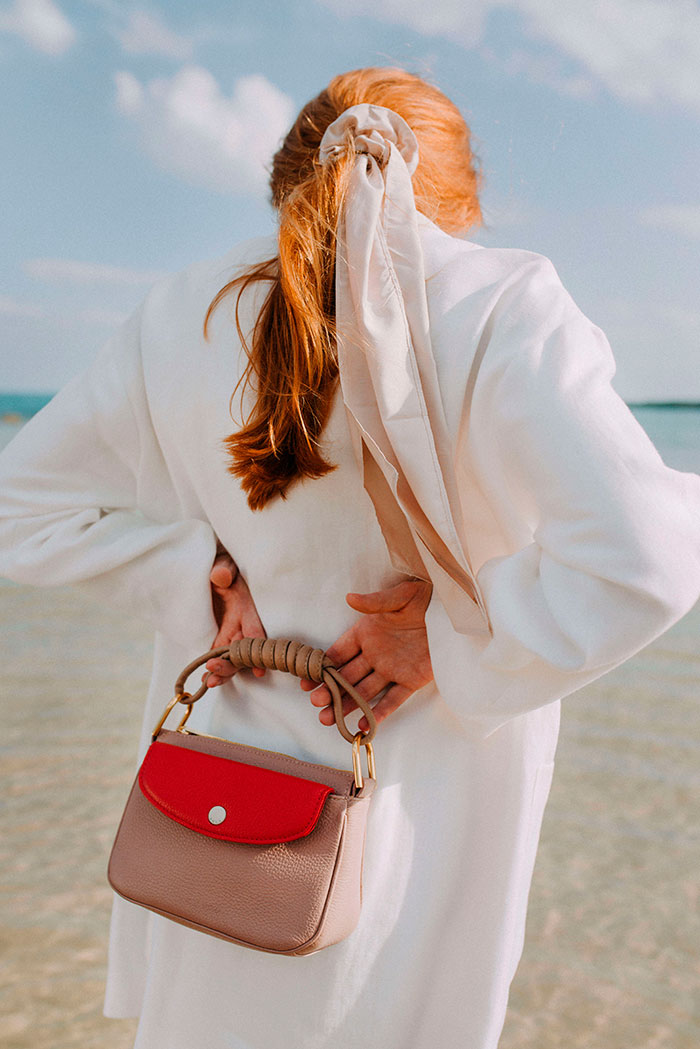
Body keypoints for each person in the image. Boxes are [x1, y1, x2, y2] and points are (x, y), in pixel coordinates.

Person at [1, 66, 699, 1049]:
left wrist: (199, 577)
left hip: (214, 807)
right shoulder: (502, 305)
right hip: (421, 815)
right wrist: (447, 642)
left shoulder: (185, 310)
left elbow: (18, 504)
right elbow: (648, 557)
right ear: (461, 191)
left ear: (287, 177)